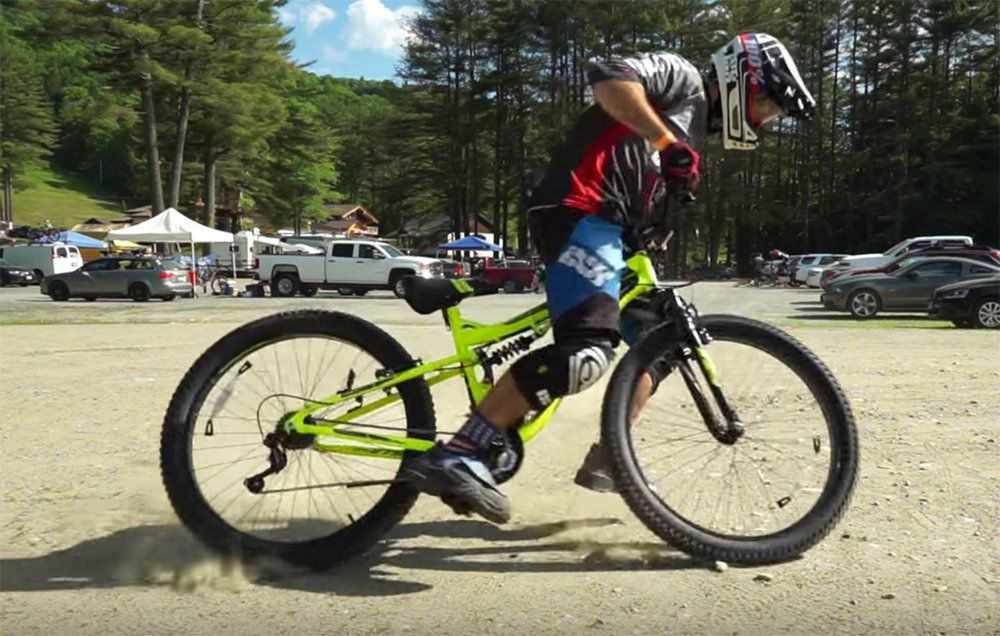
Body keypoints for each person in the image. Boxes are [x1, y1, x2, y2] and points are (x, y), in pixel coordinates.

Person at [403, 33, 816, 523]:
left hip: (612, 229)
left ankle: (612, 458)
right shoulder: (681, 77)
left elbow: (643, 179)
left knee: (664, 341)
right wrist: (667, 142)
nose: (762, 121)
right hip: (579, 208)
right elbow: (609, 79)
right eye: (765, 105)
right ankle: (464, 451)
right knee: (585, 354)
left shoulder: (696, 130)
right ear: (741, 77)